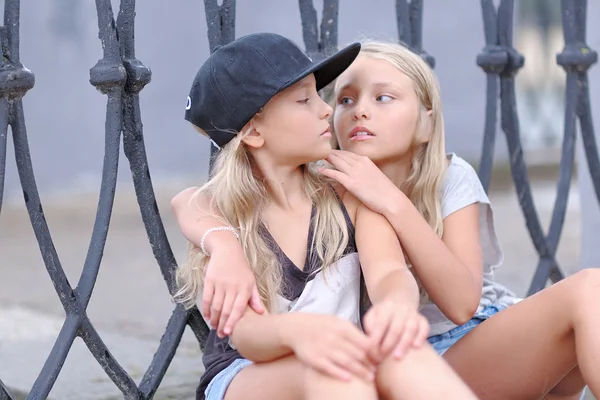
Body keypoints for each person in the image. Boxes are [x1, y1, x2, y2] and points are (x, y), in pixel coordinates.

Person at [173, 33, 477, 400]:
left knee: (405, 355)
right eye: (304, 100)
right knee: (339, 373)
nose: (327, 109)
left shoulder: (349, 196)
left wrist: (396, 304)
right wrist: (301, 332)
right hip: (247, 374)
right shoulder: (223, 223)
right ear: (253, 131)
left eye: (319, 94)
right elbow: (247, 335)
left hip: (341, 354)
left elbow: (389, 272)